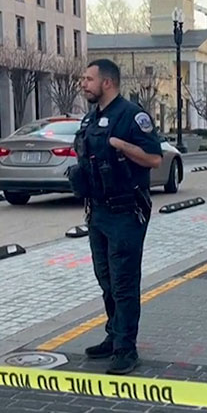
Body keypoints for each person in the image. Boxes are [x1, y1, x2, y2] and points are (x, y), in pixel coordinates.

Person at [70, 59, 163, 375]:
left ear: (106, 82)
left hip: (126, 211)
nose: (83, 83)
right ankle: (114, 335)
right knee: (106, 278)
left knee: (124, 281)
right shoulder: (89, 120)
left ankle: (127, 348)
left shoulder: (131, 117)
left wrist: (121, 144)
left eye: (88, 78)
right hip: (98, 211)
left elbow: (154, 158)